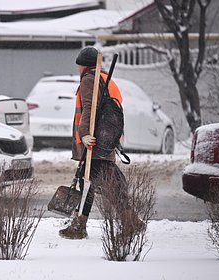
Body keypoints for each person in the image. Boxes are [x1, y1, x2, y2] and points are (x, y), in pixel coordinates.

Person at [59, 46, 143, 239]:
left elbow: (89, 108)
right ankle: (129, 221)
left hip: (94, 141)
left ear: (84, 66)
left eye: (79, 66)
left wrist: (84, 133)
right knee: (102, 182)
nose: (78, 70)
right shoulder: (108, 80)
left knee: (92, 183)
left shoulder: (90, 80)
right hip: (107, 140)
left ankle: (82, 227)